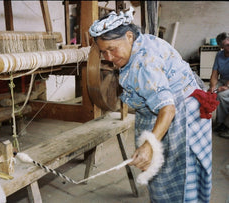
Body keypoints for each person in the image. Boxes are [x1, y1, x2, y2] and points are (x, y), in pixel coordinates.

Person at [89, 7, 215, 203]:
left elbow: (168, 109)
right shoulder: (142, 41)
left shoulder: (144, 65)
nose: (108, 58)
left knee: (177, 172)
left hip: (181, 115)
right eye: (103, 52)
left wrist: (150, 145)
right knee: (181, 169)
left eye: (112, 49)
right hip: (185, 105)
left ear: (129, 36)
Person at [208, 32, 229, 138]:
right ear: (222, 47)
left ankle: (224, 124)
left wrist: (226, 86)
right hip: (224, 79)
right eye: (227, 45)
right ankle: (220, 122)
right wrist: (212, 86)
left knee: (222, 94)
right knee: (210, 93)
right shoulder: (219, 55)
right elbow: (215, 73)